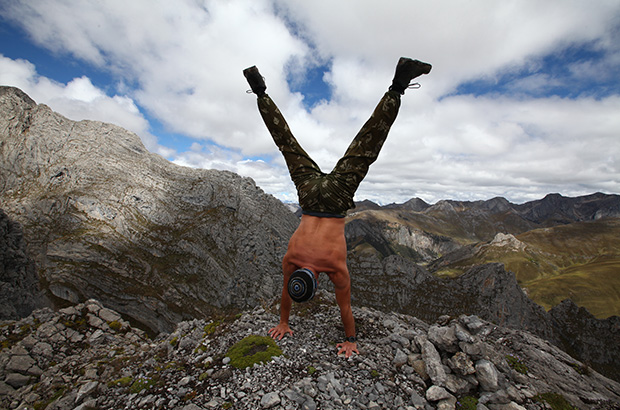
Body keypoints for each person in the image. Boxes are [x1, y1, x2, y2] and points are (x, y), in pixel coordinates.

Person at [243, 57, 431, 358]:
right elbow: (285, 294)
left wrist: (351, 341)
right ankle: (261, 93)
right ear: (297, 277)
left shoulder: (334, 268)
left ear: (316, 283)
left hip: (334, 201)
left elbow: (345, 308)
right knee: (287, 143)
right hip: (308, 197)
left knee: (365, 146)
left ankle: (398, 87)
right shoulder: (290, 260)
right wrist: (282, 319)